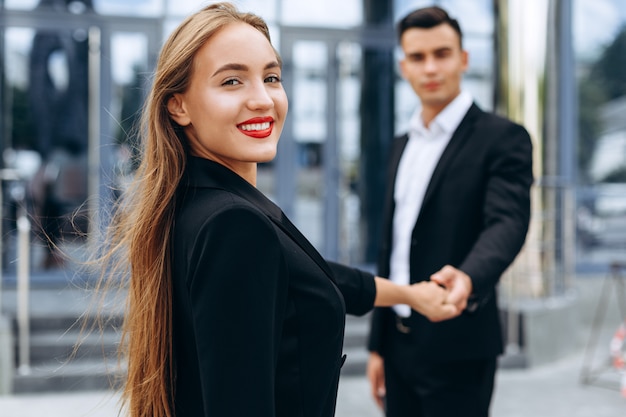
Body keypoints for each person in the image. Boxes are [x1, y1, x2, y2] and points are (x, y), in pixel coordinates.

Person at [97, 3, 459, 417]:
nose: (262, 99)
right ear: (178, 106)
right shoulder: (234, 224)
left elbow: (308, 275)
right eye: (232, 81)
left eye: (271, 77)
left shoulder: (197, 204)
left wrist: (411, 295)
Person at [366, 6, 534, 417]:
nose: (430, 68)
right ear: (403, 66)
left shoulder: (502, 138)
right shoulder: (401, 144)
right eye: (418, 58)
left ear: (463, 59)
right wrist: (377, 346)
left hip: (458, 342)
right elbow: (395, 248)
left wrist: (470, 275)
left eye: (441, 54)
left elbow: (507, 221)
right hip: (398, 342)